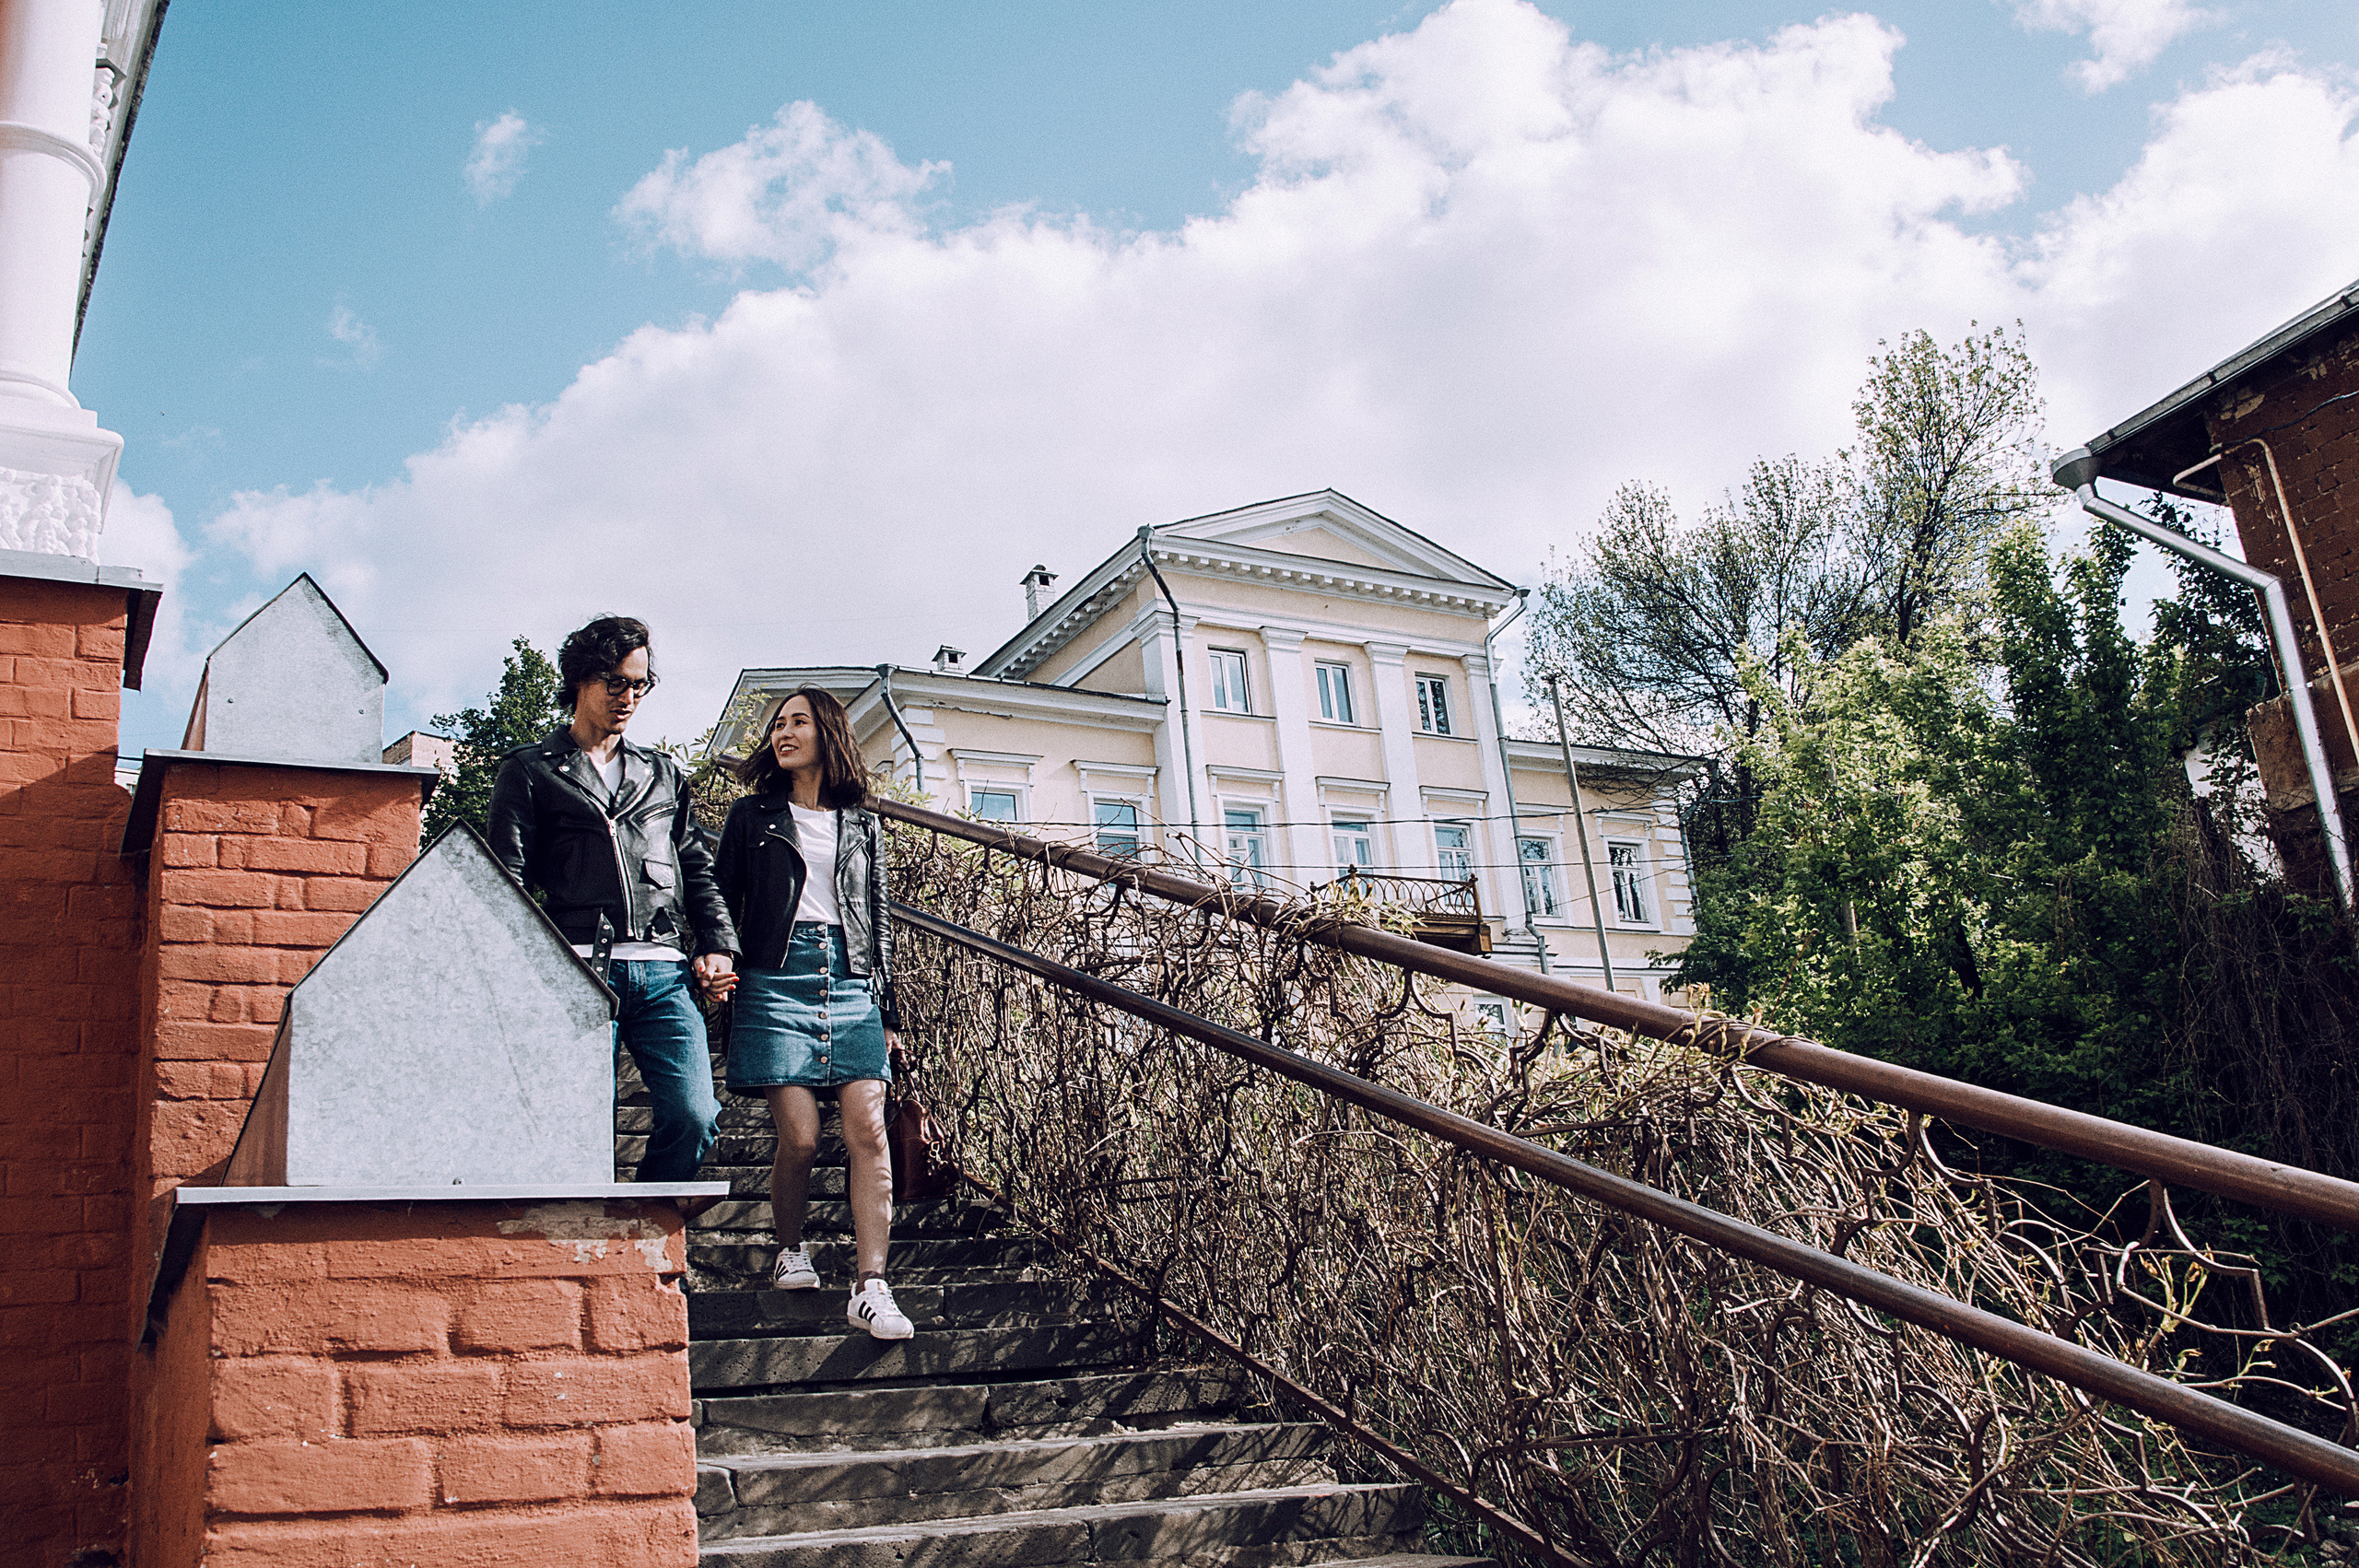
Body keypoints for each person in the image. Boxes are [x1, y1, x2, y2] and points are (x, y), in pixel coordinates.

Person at [487, 615, 737, 1185]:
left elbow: (695, 866)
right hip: (576, 967)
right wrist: (536, 967)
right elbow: (508, 880)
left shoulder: (664, 774)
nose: (629, 697)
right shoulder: (529, 771)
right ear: (580, 681)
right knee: (568, 1122)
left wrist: (719, 944)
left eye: (640, 684)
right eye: (615, 683)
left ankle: (644, 1222)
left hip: (665, 970)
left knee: (695, 1115)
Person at [710, 685, 912, 1340]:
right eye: (777, 724)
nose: (783, 732)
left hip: (851, 978)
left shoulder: (863, 823)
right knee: (798, 1137)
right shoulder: (751, 816)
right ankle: (789, 1248)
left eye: (798, 721)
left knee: (869, 1132)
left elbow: (879, 922)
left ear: (828, 731)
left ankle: (871, 1286)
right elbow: (720, 898)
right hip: (774, 974)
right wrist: (717, 962)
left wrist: (890, 1013)